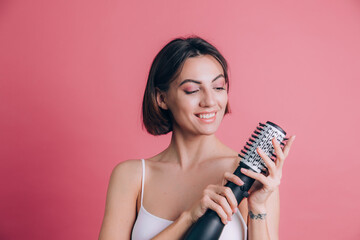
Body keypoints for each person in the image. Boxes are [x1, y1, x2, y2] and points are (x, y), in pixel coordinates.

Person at [98, 36, 296, 240]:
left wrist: (258, 206)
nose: (210, 101)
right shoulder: (132, 177)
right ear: (162, 98)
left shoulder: (251, 177)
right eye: (192, 90)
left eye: (218, 87)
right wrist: (188, 218)